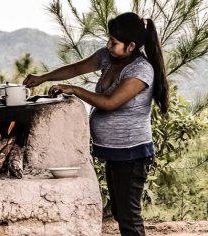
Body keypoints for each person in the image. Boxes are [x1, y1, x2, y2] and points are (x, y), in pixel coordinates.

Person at [23, 12, 169, 236]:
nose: (108, 45)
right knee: (121, 212)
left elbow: (110, 103)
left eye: (114, 42)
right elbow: (75, 69)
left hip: (131, 154)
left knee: (129, 217)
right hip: (116, 153)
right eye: (108, 39)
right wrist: (43, 77)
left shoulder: (140, 70)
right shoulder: (108, 57)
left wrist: (74, 90)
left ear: (131, 46)